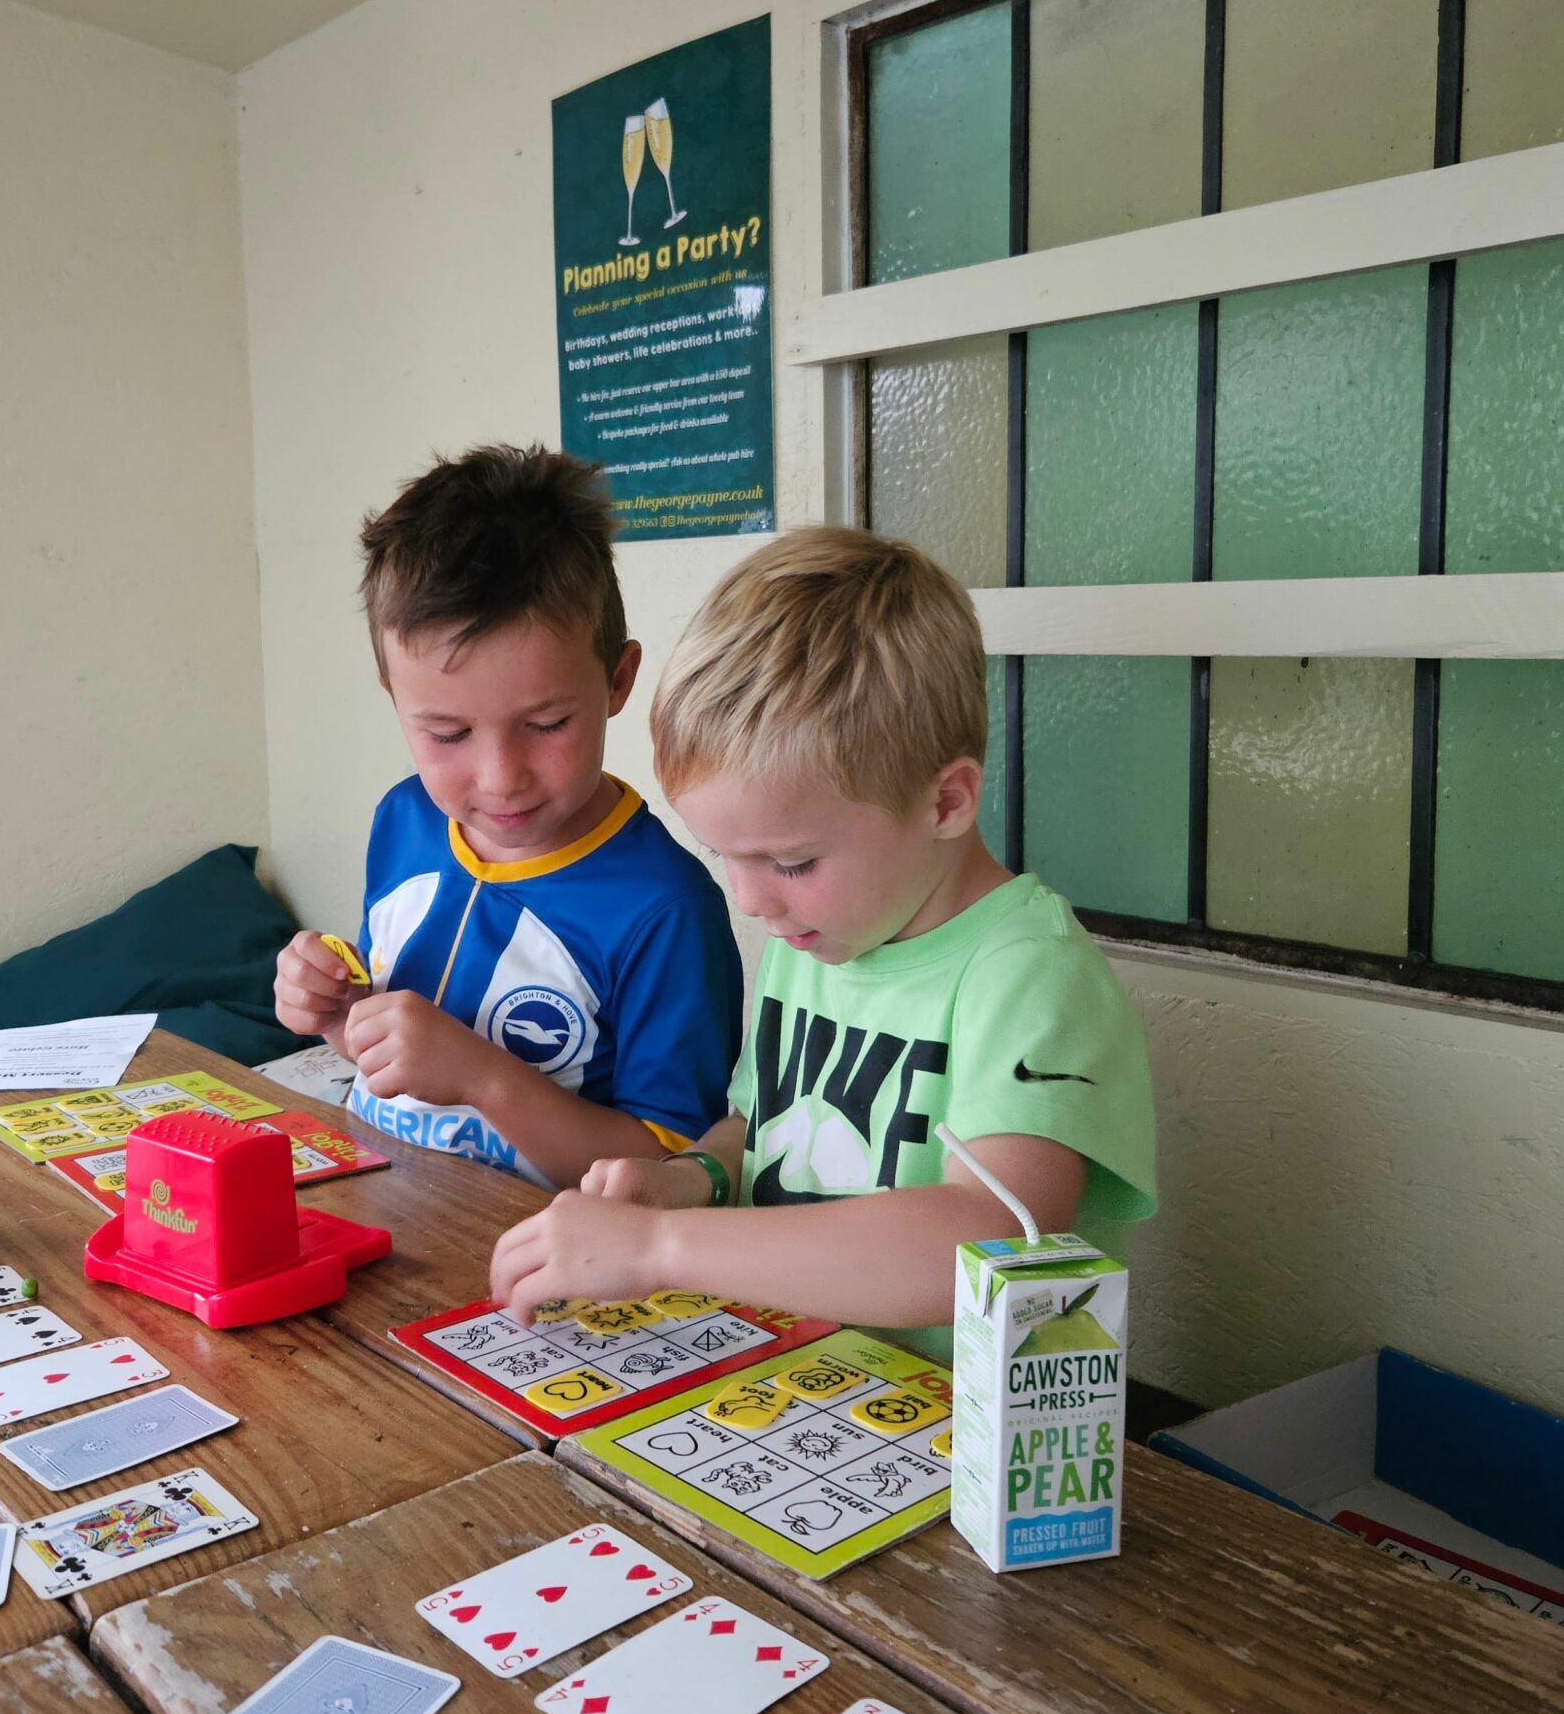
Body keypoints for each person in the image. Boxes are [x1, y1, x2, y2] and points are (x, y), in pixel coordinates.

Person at [489, 526, 1155, 1356]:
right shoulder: (820, 932)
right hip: (806, 1392)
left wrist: (660, 1251)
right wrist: (688, 1181)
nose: (750, 898)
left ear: (947, 801)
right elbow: (761, 1130)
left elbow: (990, 1240)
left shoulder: (1030, 975)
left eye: (792, 860)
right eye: (723, 856)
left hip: (968, 1446)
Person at [272, 445, 742, 1189]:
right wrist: (338, 1012)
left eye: (548, 723)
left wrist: (485, 1079)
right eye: (448, 734)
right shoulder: (403, 820)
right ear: (392, 692)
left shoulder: (666, 909)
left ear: (618, 680)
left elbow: (666, 1168)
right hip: (378, 1208)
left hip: (534, 1268)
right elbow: (393, 1047)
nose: (500, 779)